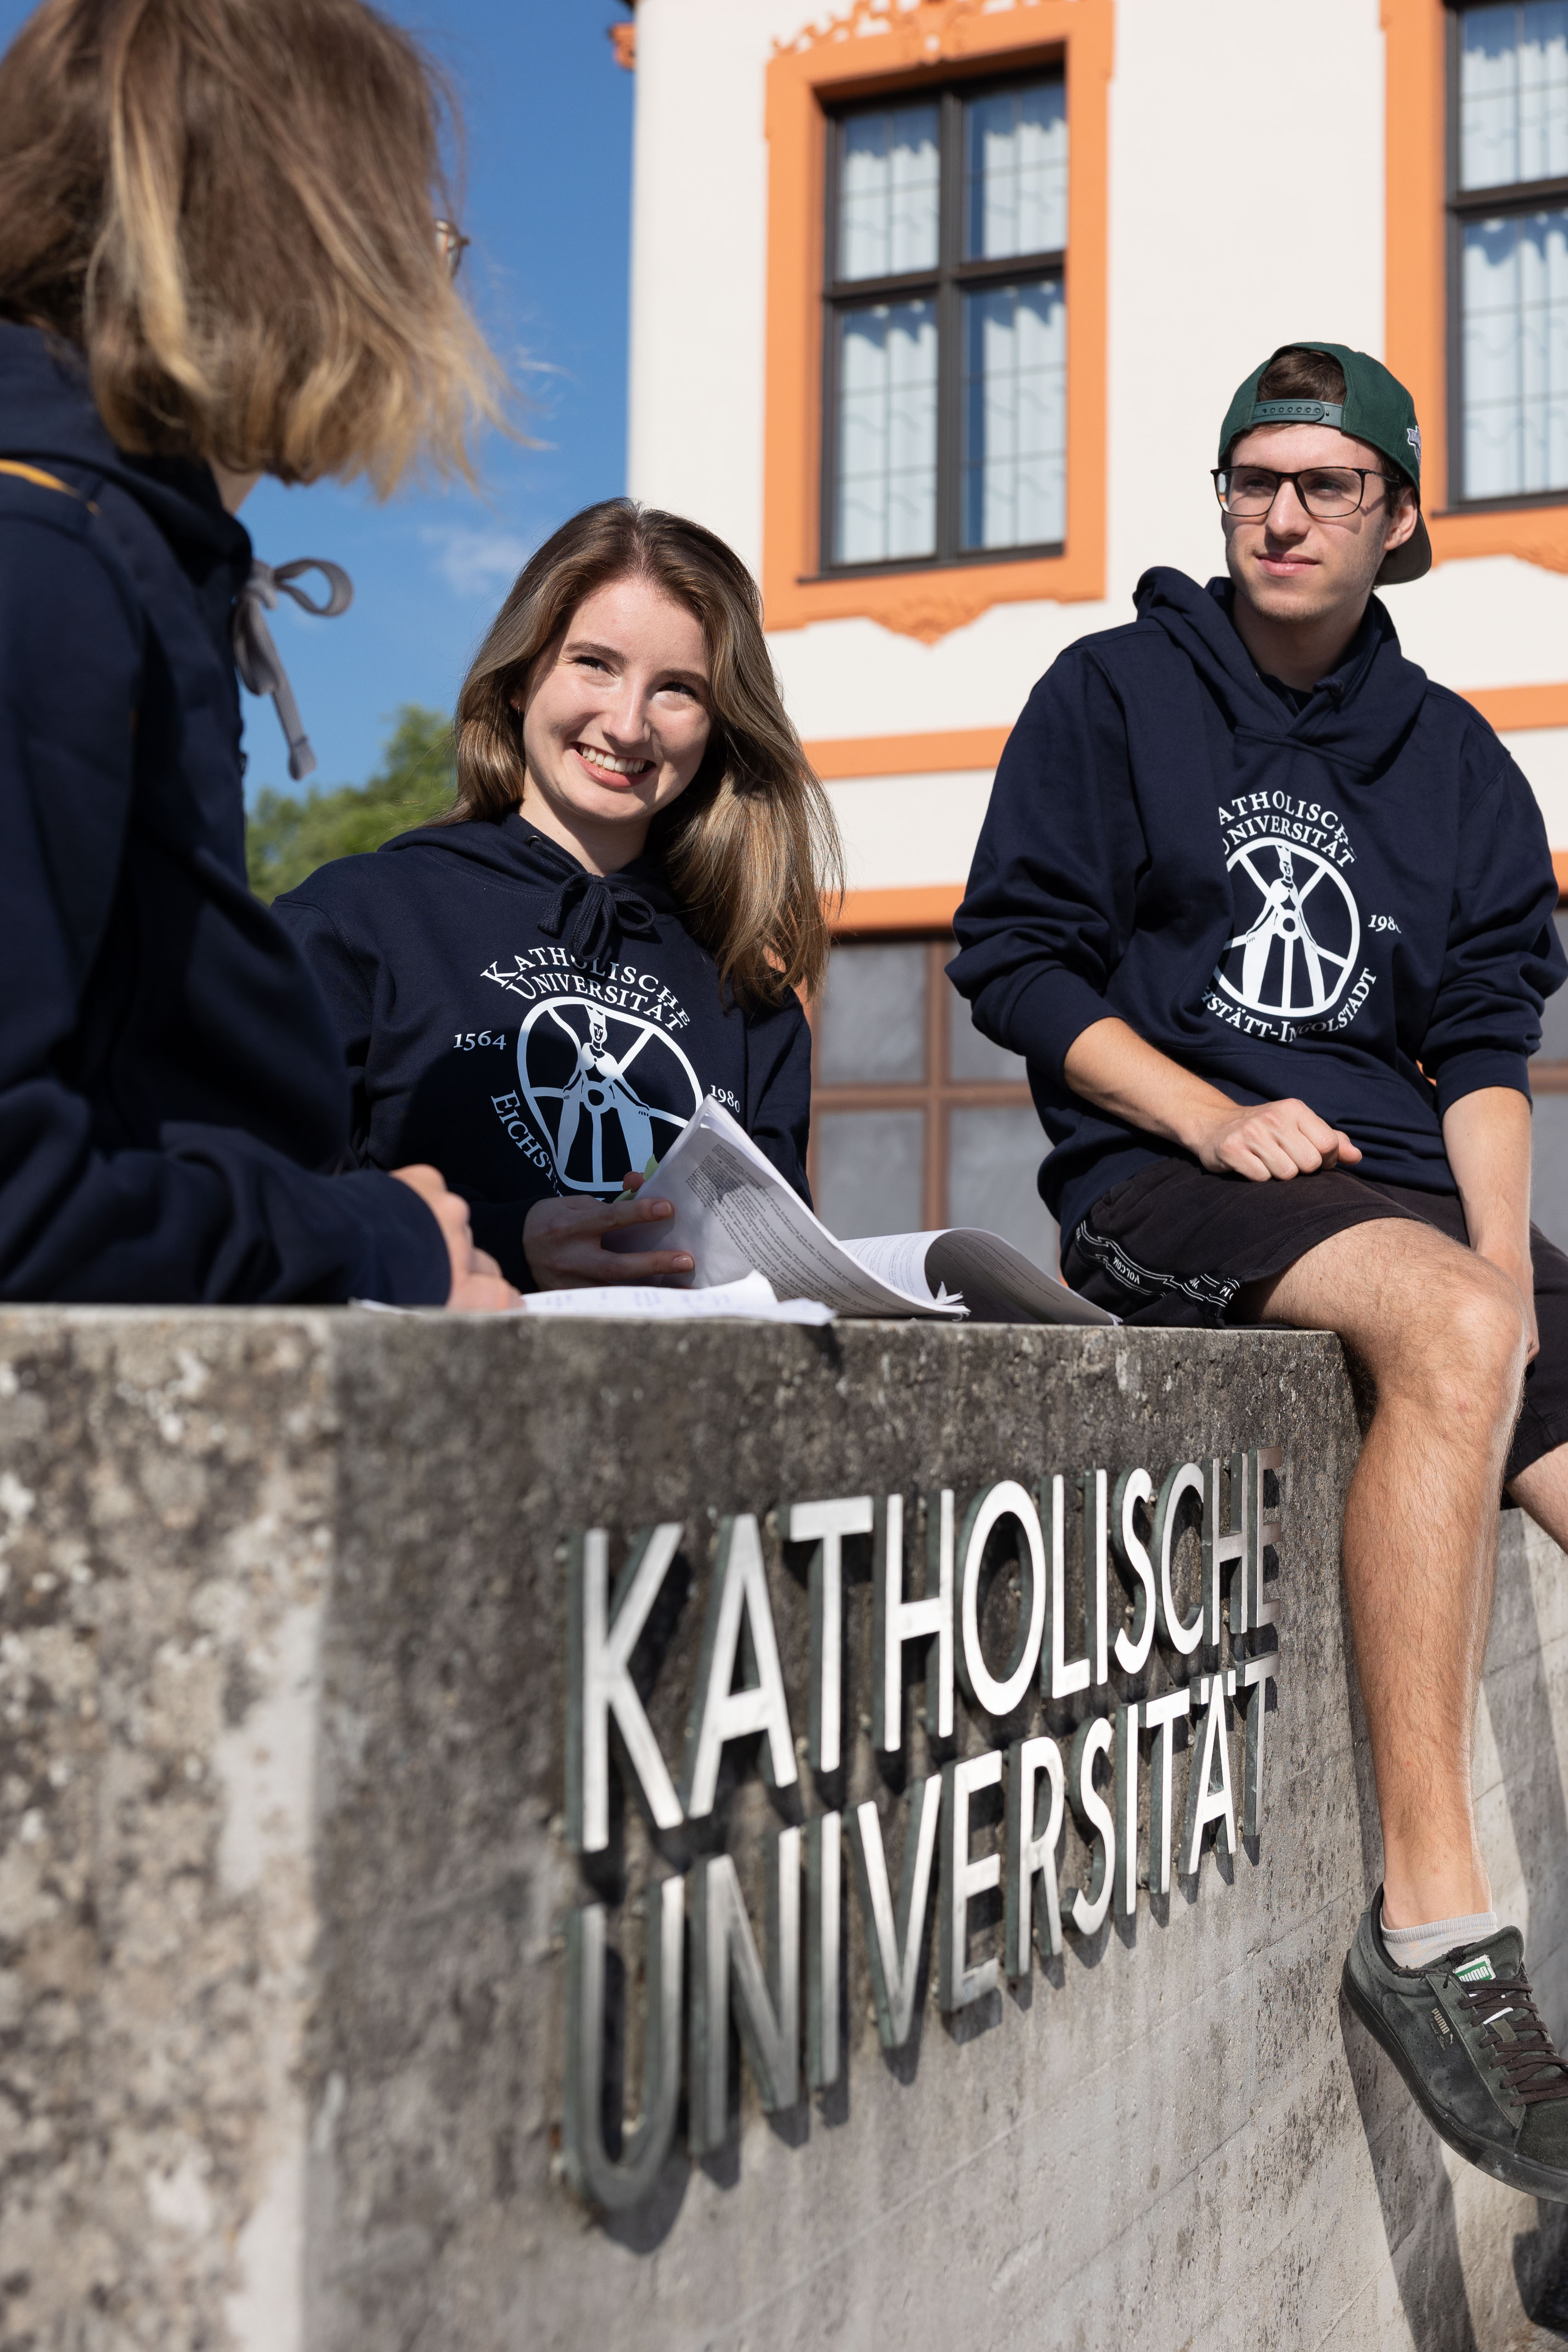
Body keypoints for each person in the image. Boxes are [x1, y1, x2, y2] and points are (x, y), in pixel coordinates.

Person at [952, 341, 1568, 2197]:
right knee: (1448, 1323)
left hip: (1404, 1189)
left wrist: (1505, 1272)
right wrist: (1206, 1114)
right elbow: (1019, 962)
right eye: (1253, 480)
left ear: (1395, 516)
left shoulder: (1453, 758)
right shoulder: (1113, 694)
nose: (1282, 515)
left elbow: (1482, 1039)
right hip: (1168, 1180)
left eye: (1324, 484)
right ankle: (1432, 1926)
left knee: (1477, 1314)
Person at [0, 0, 514, 1309]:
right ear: (295, 236)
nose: (431, 286)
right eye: (410, 230)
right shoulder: (45, 566)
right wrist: (372, 1241)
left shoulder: (114, 553)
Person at [271, 500, 840, 1291]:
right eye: (595, 664)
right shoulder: (353, 921)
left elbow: (770, 1275)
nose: (628, 725)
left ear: (718, 727)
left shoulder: (751, 995)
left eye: (678, 689)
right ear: (518, 678)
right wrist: (506, 1244)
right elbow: (270, 1215)